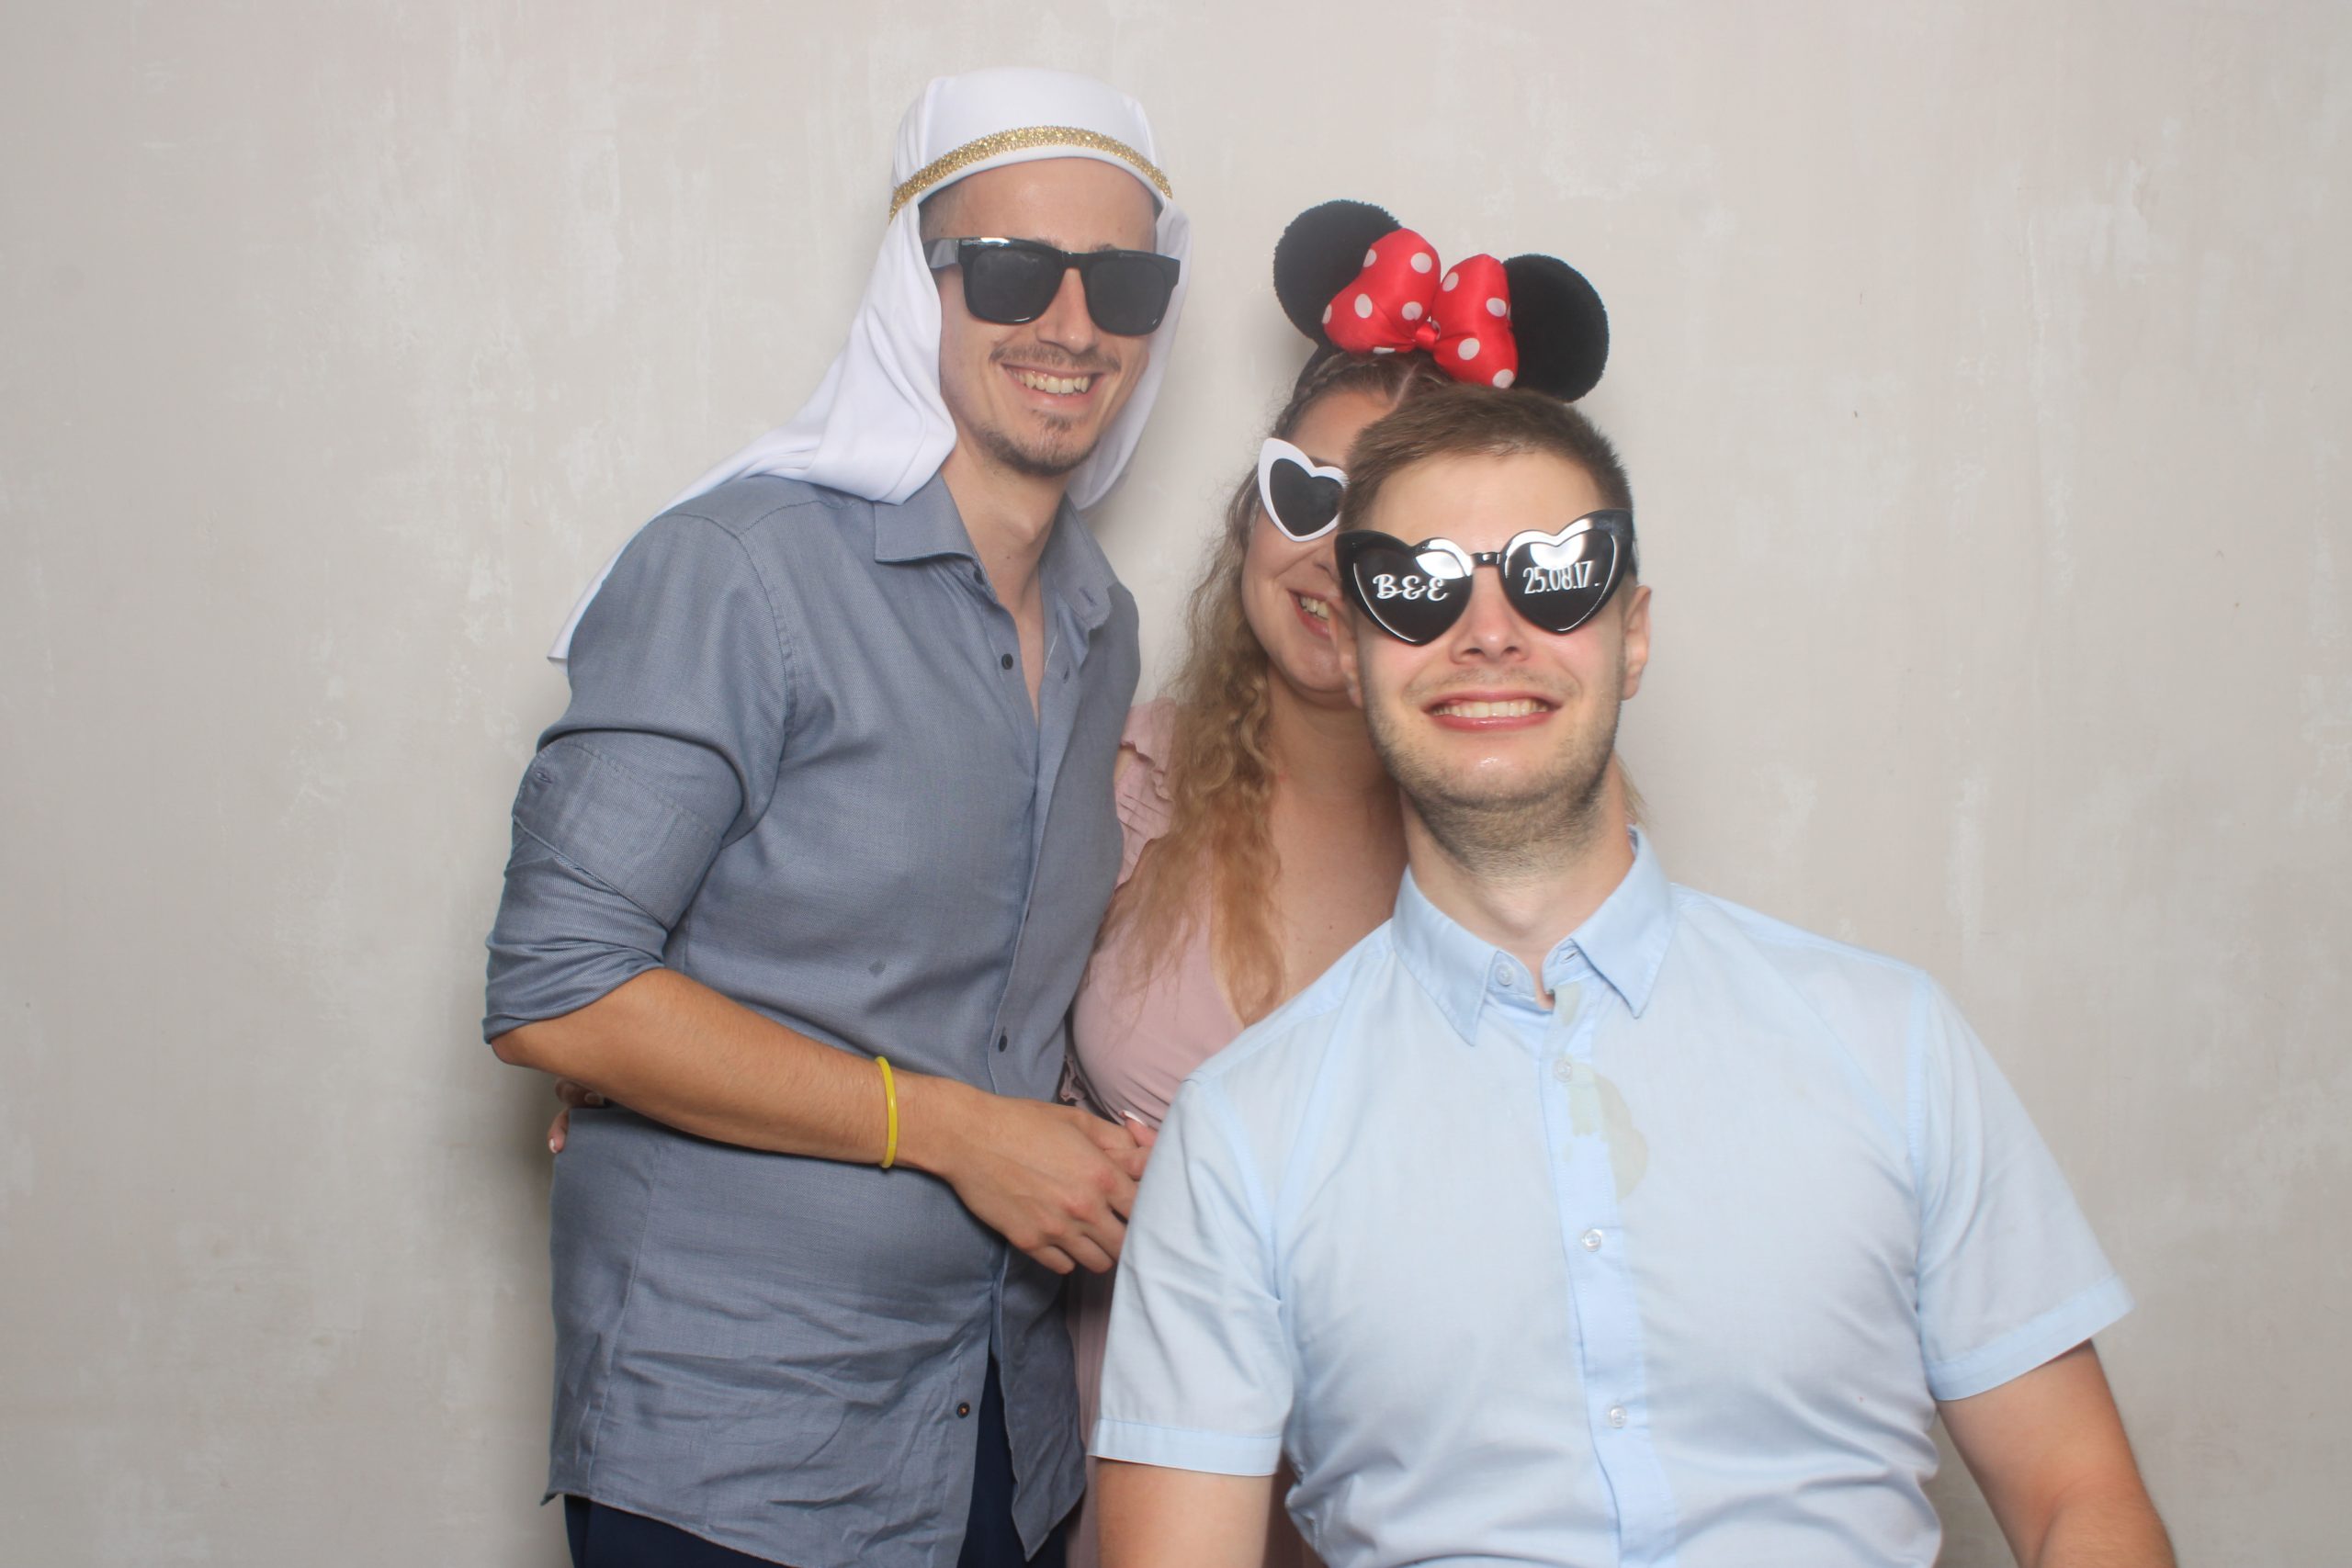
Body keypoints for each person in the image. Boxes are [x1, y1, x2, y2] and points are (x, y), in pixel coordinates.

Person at [1091, 386, 2174, 1567]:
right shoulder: (1238, 1136)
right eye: (1422, 587)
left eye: (1552, 577)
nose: (1488, 632)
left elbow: (2077, 1497)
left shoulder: (1889, 1042)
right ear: (1352, 650)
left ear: (1633, 633)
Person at [483, 67, 1189, 1568]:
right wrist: (954, 1130)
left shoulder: (1102, 621)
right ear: (917, 285)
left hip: (999, 1431)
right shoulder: (736, 569)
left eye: (1121, 281)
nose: (1074, 325)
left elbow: (992, 996)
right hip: (739, 1438)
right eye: (1014, 270)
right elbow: (559, 988)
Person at [1058, 203, 1614, 1568]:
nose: (1323, 557)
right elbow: (928, 1000)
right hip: (1131, 1477)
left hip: (1430, 1506)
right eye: (1301, 496)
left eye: (1382, 526)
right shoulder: (1119, 775)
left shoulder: (1532, 849)